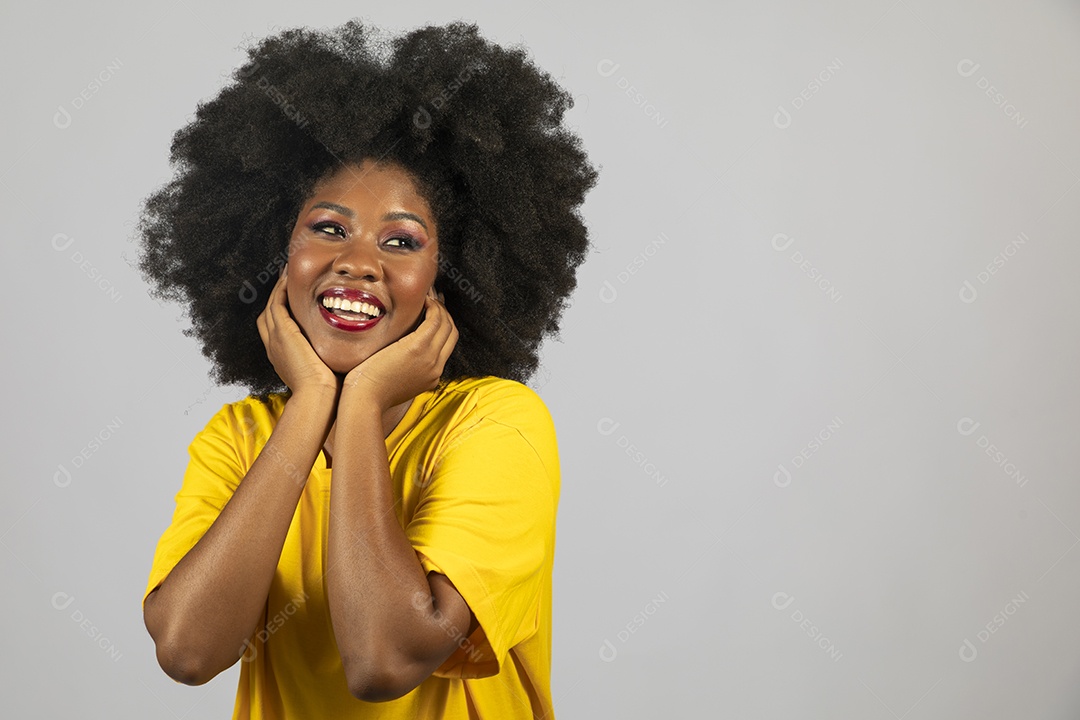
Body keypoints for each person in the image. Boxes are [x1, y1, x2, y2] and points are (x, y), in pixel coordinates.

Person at [138, 20, 596, 719]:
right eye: (328, 228)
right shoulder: (239, 438)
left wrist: (359, 403)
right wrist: (311, 402)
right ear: (274, 252)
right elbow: (188, 651)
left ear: (451, 275)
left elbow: (384, 659)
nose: (357, 262)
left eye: (401, 241)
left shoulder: (498, 424)